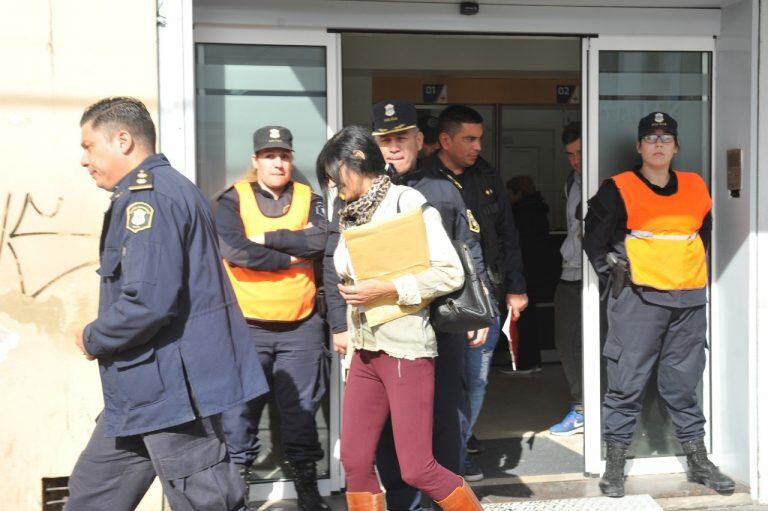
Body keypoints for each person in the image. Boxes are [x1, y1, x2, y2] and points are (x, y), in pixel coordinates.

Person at [69, 97, 267, 511]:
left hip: (169, 390)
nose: (85, 160)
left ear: (122, 140)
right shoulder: (161, 190)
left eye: (89, 147)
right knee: (92, 494)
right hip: (139, 391)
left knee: (207, 502)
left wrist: (93, 337)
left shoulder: (150, 199)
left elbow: (149, 303)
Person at [319, 125, 483, 511]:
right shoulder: (351, 212)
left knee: (418, 468)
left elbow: (449, 273)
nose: (331, 184)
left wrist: (386, 288)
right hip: (363, 351)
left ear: (357, 161)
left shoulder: (405, 202)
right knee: (355, 460)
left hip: (404, 350)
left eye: (333, 173)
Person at [584, 112, 734, 497]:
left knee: (683, 382)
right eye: (650, 138)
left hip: (688, 298)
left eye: (666, 138)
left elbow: (704, 235)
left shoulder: (695, 186)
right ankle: (614, 465)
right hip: (638, 299)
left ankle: (698, 461)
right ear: (638, 147)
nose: (658, 144)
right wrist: (611, 271)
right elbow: (593, 239)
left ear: (676, 146)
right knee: (626, 381)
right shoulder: (617, 188)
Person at [371, 100, 490, 507]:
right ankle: (402, 502)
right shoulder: (364, 193)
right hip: (387, 328)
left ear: (420, 141)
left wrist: (480, 310)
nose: (393, 147)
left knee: (446, 417)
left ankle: (447, 499)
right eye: (385, 139)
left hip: (441, 325)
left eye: (401, 137)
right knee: (388, 423)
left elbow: (468, 250)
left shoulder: (442, 190)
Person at [214, 126, 330, 511]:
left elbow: (321, 242)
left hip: (302, 326)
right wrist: (290, 257)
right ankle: (238, 492)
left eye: (283, 156)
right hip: (246, 327)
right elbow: (234, 250)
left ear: (291, 160)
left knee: (300, 414)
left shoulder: (309, 198)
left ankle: (308, 491)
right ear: (255, 161)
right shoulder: (233, 200)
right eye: (269, 156)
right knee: (240, 414)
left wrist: (264, 238)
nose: (277, 162)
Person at [424, 105, 528, 480]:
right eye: (469, 139)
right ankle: (443, 449)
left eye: (480, 138)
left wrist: (516, 288)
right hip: (435, 301)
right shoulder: (422, 179)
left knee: (477, 378)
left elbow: (507, 233)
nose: (477, 146)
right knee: (443, 381)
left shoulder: (486, 175)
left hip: (485, 294)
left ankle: (459, 445)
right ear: (445, 140)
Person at [549, 121, 585, 436]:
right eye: (570, 154)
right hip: (571, 270)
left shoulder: (605, 180)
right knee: (566, 341)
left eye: (580, 152)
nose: (575, 160)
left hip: (595, 274)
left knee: (588, 343)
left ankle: (585, 408)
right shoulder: (571, 182)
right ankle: (582, 406)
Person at [500, 175, 550, 374]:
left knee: (522, 319)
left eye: (509, 193)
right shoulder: (538, 209)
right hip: (537, 270)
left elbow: (517, 246)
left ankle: (523, 362)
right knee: (531, 318)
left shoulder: (520, 214)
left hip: (524, 272)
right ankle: (532, 361)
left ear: (518, 193)